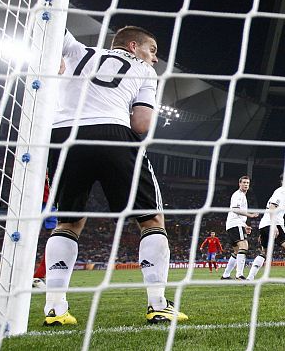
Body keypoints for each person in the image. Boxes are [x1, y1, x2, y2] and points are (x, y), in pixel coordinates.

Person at [44, 26, 186, 326]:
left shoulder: (78, 50)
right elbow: (141, 125)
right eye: (153, 49)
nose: (155, 58)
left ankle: (55, 308)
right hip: (113, 132)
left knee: (69, 221)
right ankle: (158, 304)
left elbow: (54, 30)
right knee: (151, 218)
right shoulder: (144, 71)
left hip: (63, 137)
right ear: (133, 46)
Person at [246, 171, 285, 280]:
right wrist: (273, 226)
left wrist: (265, 230)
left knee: (264, 253)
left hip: (264, 225)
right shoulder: (281, 191)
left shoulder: (283, 192)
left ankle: (250, 277)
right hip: (274, 223)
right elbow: (272, 208)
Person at [221, 175, 259, 280]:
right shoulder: (239, 195)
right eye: (244, 183)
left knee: (237, 251)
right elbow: (235, 209)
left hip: (232, 225)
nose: (246, 185)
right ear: (239, 184)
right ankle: (239, 274)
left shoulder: (242, 196)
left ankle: (226, 275)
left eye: (247, 183)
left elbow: (238, 214)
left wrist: (245, 225)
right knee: (244, 246)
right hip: (235, 224)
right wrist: (250, 215)